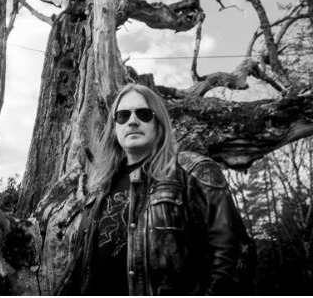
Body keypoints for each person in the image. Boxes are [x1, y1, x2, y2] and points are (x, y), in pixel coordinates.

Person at [56, 83, 250, 295]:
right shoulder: (98, 190)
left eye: (144, 113)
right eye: (123, 116)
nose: (132, 121)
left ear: (160, 123)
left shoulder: (192, 171)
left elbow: (235, 256)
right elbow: (77, 269)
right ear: (114, 128)